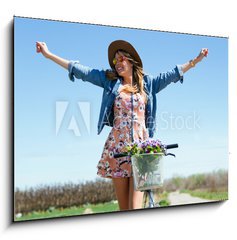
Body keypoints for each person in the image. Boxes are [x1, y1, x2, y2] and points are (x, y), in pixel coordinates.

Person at [36, 39, 208, 211]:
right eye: (115, 60)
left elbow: (173, 73)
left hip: (140, 153)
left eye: (121, 59)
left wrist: (196, 60)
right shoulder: (109, 82)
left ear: (131, 60)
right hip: (117, 150)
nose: (117, 63)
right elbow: (82, 72)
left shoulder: (148, 84)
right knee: (124, 210)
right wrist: (49, 55)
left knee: (135, 208)